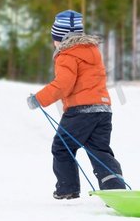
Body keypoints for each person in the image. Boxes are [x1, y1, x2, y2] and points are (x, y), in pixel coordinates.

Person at [26, 10, 126, 200]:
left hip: (81, 111)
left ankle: (67, 189)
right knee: (100, 151)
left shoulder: (67, 55)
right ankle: (115, 189)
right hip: (103, 109)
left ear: (61, 38)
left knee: (62, 147)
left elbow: (63, 84)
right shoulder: (92, 51)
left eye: (55, 38)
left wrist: (39, 98)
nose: (54, 43)